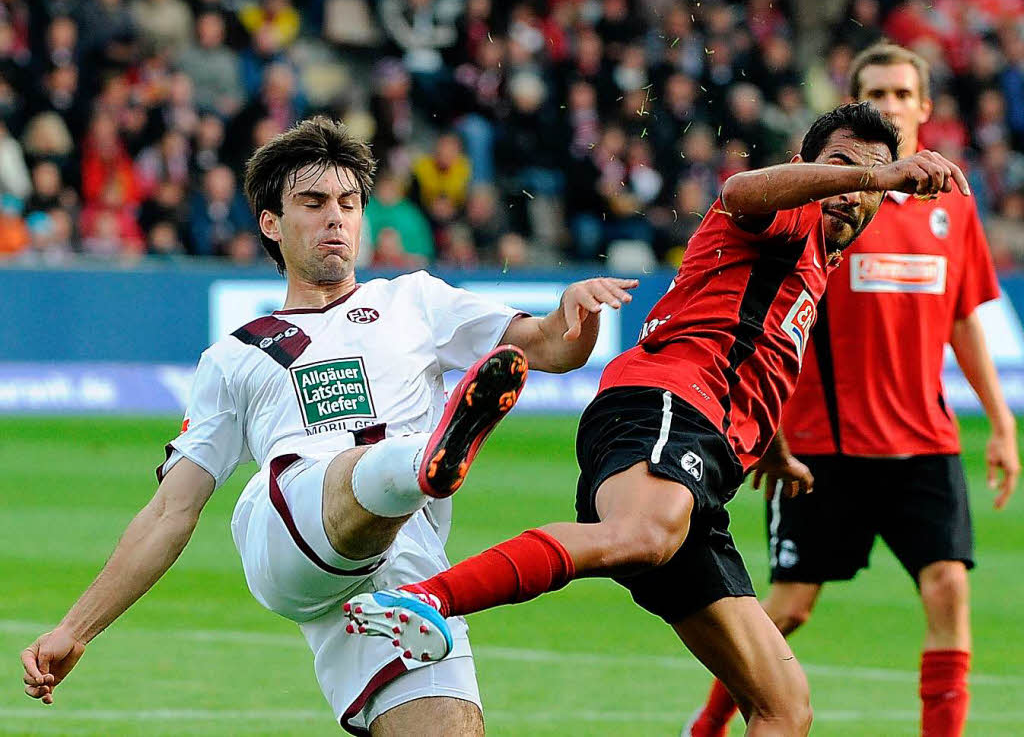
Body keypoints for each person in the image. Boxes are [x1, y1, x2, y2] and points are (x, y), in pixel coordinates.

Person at [346, 103, 971, 736]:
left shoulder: (817, 265)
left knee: (784, 705)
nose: (857, 184)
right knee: (640, 535)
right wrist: (872, 175)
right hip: (665, 402)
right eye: (840, 164)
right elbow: (739, 190)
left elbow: (753, 358)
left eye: (871, 174)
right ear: (810, 166)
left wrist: (774, 447)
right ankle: (427, 600)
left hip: (706, 461)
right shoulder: (788, 215)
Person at [19, 117, 639, 737]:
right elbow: (169, 512)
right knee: (364, 464)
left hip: (407, 578)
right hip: (288, 531)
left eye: (348, 203)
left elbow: (546, 347)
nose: (335, 218)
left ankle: (424, 463)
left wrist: (573, 316)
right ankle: (425, 460)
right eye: (312, 203)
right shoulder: (234, 356)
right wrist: (75, 628)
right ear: (271, 223)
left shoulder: (415, 300)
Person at [687, 42, 1020, 737]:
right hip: (823, 442)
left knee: (949, 585)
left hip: (923, 437)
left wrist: (1000, 421)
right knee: (788, 607)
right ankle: (710, 724)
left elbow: (962, 315)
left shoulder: (954, 207)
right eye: (879, 93)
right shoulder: (830, 200)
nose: (893, 104)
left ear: (924, 107)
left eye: (904, 93)